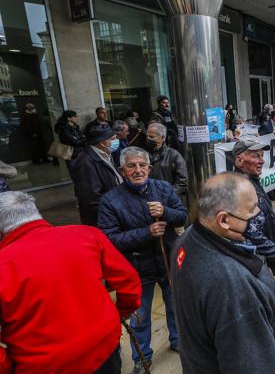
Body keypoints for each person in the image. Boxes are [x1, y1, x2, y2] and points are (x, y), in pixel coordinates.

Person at [0, 191, 141, 374]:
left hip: (44, 364)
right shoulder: (87, 235)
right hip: (104, 346)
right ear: (35, 213)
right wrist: (120, 312)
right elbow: (129, 281)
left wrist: (8, 367)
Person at [170, 172, 275, 374]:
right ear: (224, 220)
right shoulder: (232, 287)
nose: (258, 214)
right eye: (251, 210)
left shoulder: (186, 240)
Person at [98, 147, 187, 374]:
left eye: (142, 165)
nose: (138, 170)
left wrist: (166, 211)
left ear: (149, 167)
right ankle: (142, 357)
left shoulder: (163, 188)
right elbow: (109, 239)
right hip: (137, 269)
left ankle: (178, 341)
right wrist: (146, 232)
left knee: (176, 306)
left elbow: (182, 215)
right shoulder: (110, 200)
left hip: (169, 262)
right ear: (122, 170)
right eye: (131, 166)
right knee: (140, 317)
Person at [232, 140, 275, 274]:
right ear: (240, 161)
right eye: (256, 156)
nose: (262, 161)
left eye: (262, 156)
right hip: (253, 265)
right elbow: (252, 234)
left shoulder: (252, 181)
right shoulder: (240, 188)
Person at [72, 125, 123, 226]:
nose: (116, 140)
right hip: (103, 219)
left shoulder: (105, 153)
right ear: (102, 143)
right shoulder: (85, 162)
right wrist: (116, 210)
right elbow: (92, 199)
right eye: (113, 138)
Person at [145, 123, 188, 201]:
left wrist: (167, 196)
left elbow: (182, 182)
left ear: (163, 138)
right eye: (147, 136)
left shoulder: (174, 155)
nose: (148, 139)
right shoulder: (143, 155)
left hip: (169, 201)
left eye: (151, 137)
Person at [54, 109, 86, 175]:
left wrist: (81, 139)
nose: (77, 118)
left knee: (83, 173)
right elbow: (74, 142)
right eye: (75, 116)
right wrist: (84, 139)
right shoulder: (64, 129)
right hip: (72, 154)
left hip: (79, 152)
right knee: (76, 173)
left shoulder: (75, 127)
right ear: (69, 118)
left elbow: (79, 138)